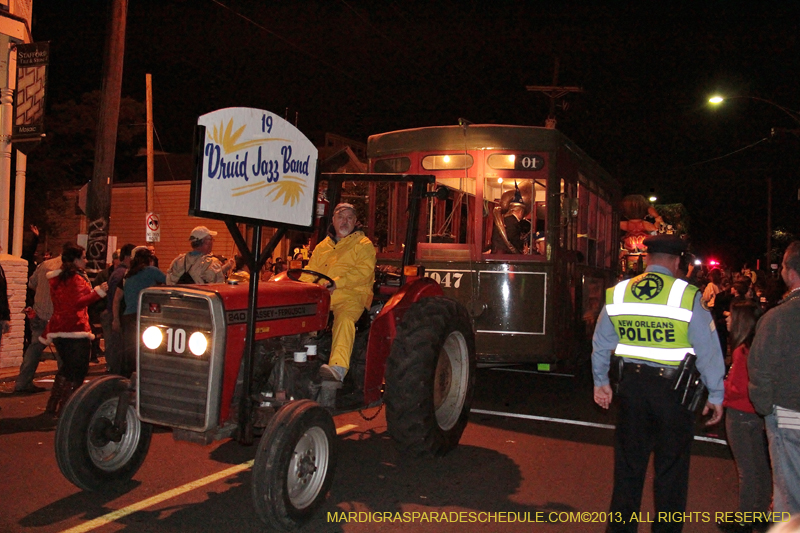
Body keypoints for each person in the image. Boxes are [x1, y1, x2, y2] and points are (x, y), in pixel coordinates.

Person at [591, 234, 725, 533]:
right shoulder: (689, 295)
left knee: (628, 469)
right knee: (671, 473)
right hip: (674, 394)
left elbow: (601, 344)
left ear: (647, 260)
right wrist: (716, 394)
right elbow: (708, 351)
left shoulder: (619, 292)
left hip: (632, 389)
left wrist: (601, 382)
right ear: (678, 262)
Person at [749, 241, 800, 515]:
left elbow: (760, 369)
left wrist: (766, 407)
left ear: (790, 272)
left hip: (789, 413)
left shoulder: (778, 318)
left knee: (789, 493)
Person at [305, 203, 376, 382]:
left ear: (355, 222)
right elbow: (310, 271)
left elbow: (363, 272)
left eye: (349, 217)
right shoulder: (322, 246)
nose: (345, 221)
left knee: (344, 320)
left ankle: (338, 368)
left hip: (351, 296)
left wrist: (337, 283)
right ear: (333, 221)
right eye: (341, 217)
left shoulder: (363, 244)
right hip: (322, 295)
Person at [719, 300, 772, 533]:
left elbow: (738, 387)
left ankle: (743, 519)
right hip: (756, 414)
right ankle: (760, 512)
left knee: (746, 469)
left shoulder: (742, 350)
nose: (728, 319)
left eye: (731, 315)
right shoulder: (758, 346)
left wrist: (719, 389)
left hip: (739, 414)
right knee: (759, 466)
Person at [41, 244, 108, 415]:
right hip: (75, 327)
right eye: (83, 257)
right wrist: (99, 291)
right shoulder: (75, 278)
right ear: (76, 260)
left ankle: (54, 404)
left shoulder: (58, 278)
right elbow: (78, 302)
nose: (86, 260)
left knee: (67, 368)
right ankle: (67, 408)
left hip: (59, 327)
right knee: (78, 370)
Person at [13, 243, 66, 393]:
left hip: (40, 313)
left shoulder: (44, 265)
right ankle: (63, 385)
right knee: (64, 351)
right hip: (58, 315)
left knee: (34, 349)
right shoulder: (70, 269)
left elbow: (31, 283)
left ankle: (23, 382)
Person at [113, 247, 166, 378]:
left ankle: (127, 379)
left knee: (131, 352)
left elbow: (116, 298)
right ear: (149, 259)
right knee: (148, 350)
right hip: (145, 316)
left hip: (128, 317)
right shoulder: (152, 271)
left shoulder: (128, 275)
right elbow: (171, 282)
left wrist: (116, 319)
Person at [105, 243, 135, 374]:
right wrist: (116, 318)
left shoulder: (117, 272)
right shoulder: (123, 274)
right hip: (120, 317)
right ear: (129, 257)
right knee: (119, 350)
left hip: (116, 315)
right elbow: (116, 299)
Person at [167, 226, 233, 284]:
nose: (212, 242)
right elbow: (218, 285)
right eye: (211, 239)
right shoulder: (211, 263)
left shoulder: (178, 261)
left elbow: (170, 282)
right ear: (206, 242)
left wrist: (225, 268)